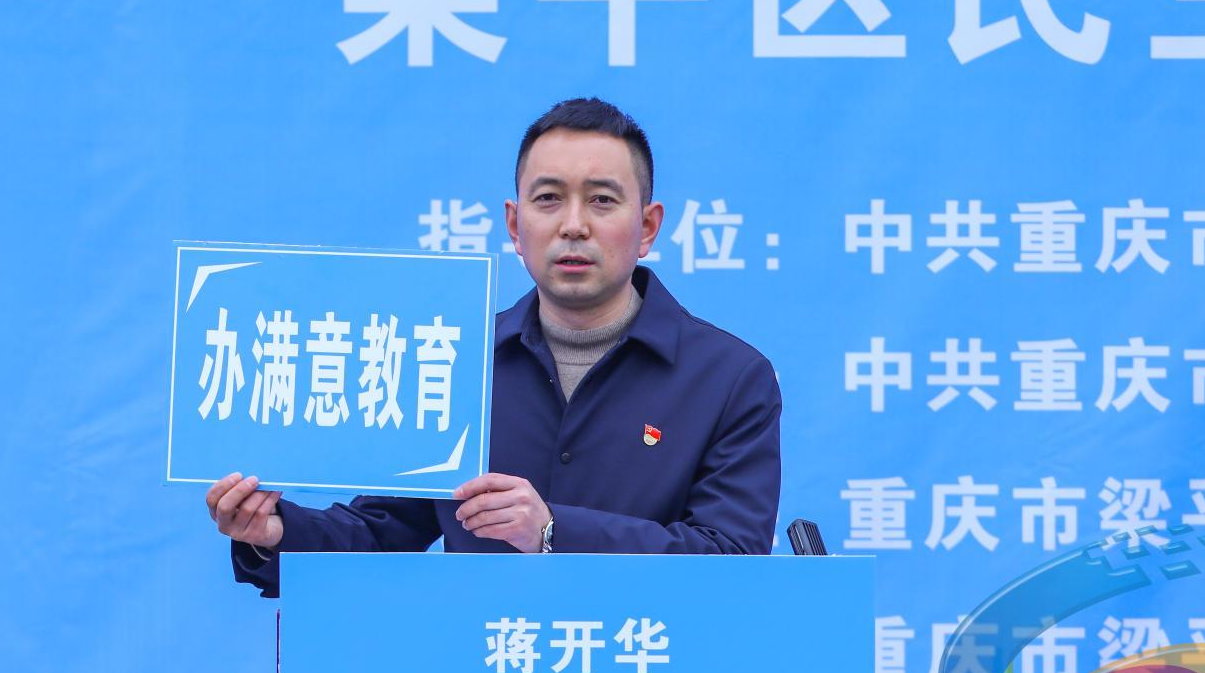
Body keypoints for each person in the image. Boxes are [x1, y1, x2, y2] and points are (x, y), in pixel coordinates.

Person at [208, 98, 782, 597]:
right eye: (548, 198)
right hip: (486, 672)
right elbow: (381, 532)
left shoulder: (730, 378)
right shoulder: (455, 361)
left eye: (602, 201)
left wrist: (553, 532)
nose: (573, 225)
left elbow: (733, 562)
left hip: (650, 670)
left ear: (649, 227)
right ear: (514, 224)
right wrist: (275, 533)